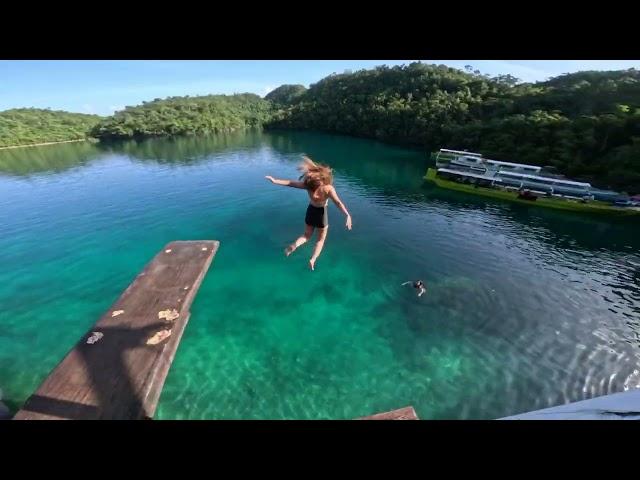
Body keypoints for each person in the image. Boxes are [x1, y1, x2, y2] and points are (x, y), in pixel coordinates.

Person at [265, 156, 352, 270]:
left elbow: (290, 183)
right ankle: (313, 259)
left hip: (311, 211)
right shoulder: (328, 188)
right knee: (320, 240)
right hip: (321, 214)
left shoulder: (308, 186)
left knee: (306, 236)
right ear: (322, 178)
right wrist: (347, 215)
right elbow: (338, 203)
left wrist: (275, 181)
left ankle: (293, 246)